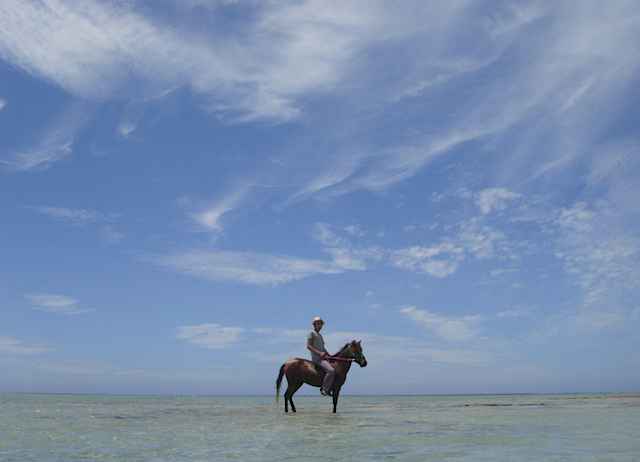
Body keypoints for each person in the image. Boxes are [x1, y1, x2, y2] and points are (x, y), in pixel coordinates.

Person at [307, 316, 335, 396]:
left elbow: (323, 348)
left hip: (323, 357)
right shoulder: (311, 333)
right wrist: (319, 353)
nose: (320, 326)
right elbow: (308, 346)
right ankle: (325, 389)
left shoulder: (320, 335)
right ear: (314, 324)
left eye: (321, 324)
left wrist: (329, 355)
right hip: (318, 358)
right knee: (331, 370)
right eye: (318, 324)